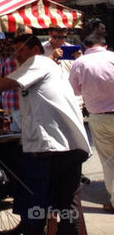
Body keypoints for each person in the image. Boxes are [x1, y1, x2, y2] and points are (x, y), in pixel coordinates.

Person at [0, 32, 91, 235]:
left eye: (21, 51)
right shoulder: (49, 66)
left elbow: (7, 83)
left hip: (51, 148)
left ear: (36, 50)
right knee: (67, 208)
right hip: (73, 146)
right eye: (14, 52)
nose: (17, 56)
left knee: (34, 206)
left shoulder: (38, 62)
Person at [69, 30, 114, 213]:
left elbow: (74, 90)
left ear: (86, 47)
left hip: (98, 117)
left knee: (109, 161)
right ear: (103, 45)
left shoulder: (80, 62)